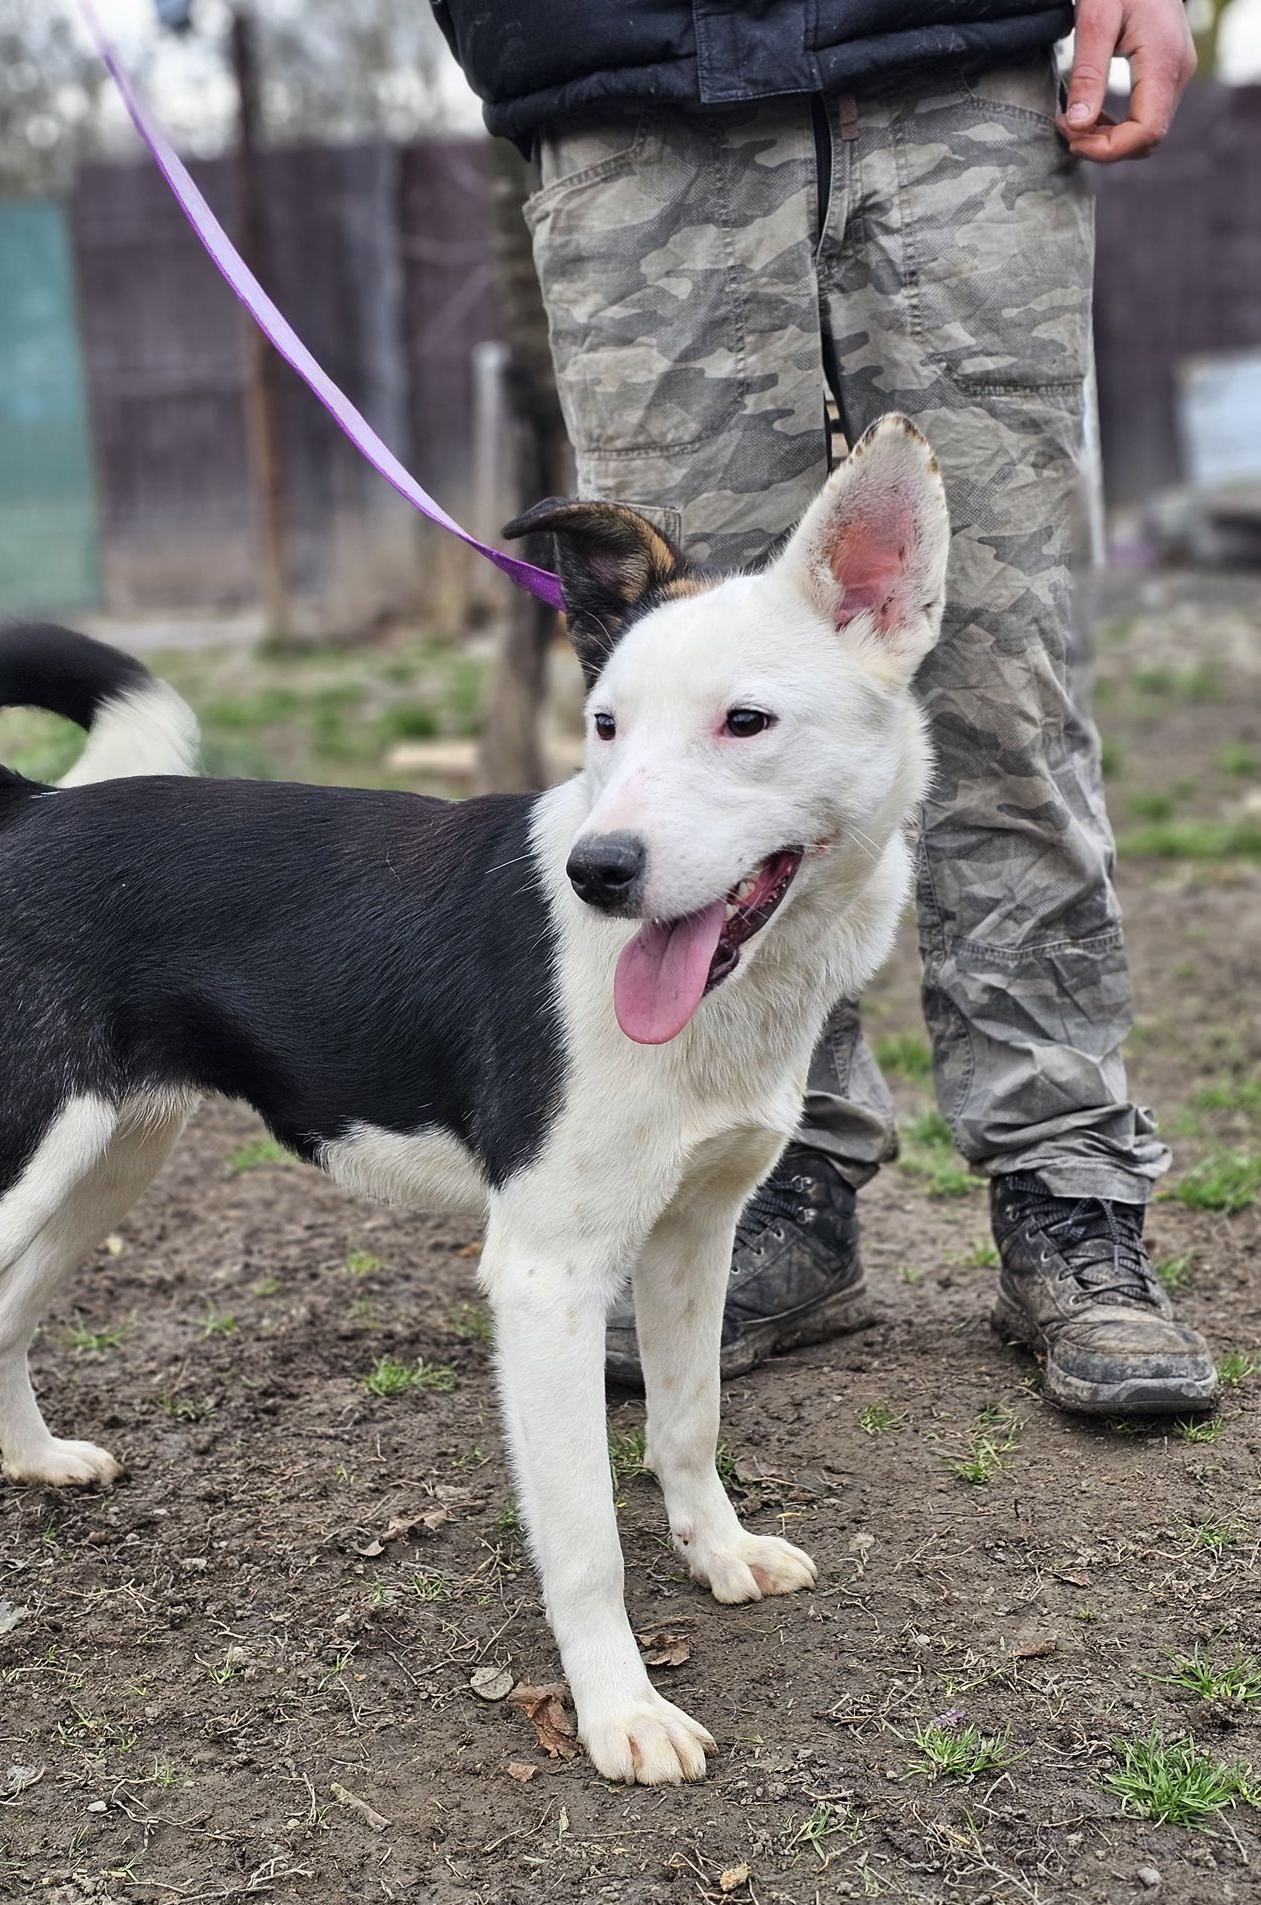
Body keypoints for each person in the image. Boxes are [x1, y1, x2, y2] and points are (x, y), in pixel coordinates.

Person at [433, 0, 1217, 1417]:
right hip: (627, 102)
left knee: (1006, 691)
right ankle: (777, 1181)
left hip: (955, 73)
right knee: (696, 704)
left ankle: (1067, 1184)